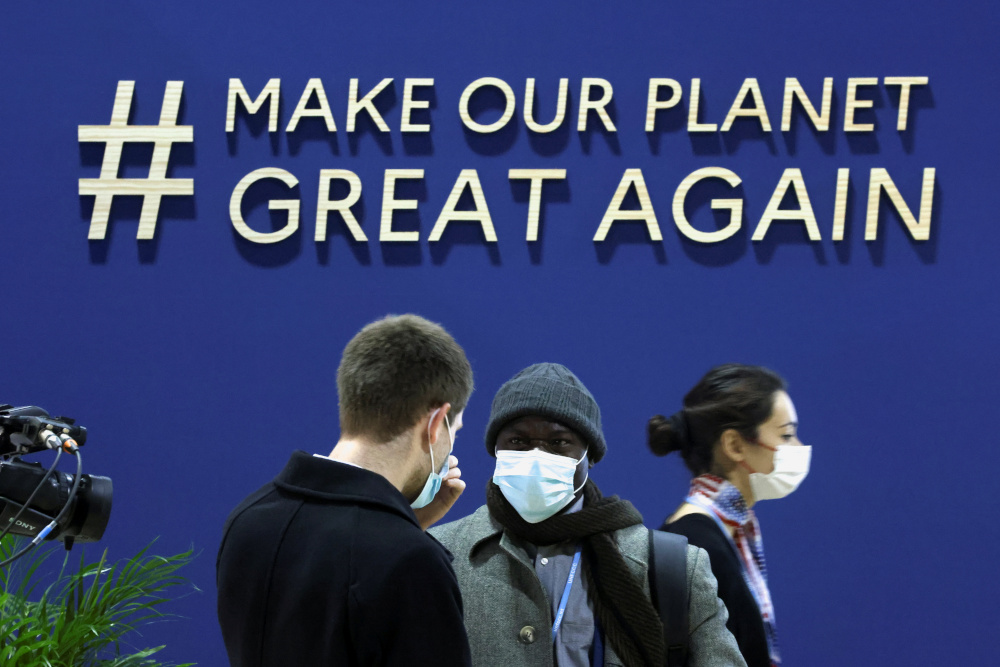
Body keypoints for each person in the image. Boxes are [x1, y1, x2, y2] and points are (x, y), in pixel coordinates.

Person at [432, 363, 746, 667]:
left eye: (558, 443)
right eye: (518, 441)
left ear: (589, 457)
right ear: (495, 450)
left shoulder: (674, 568)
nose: (537, 456)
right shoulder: (439, 554)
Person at [217, 314, 474, 666]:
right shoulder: (410, 561)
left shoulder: (247, 519)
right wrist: (404, 539)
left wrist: (402, 526)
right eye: (454, 429)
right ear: (434, 423)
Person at [648, 364, 811, 667]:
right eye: (786, 435)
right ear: (735, 445)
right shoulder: (693, 545)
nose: (799, 447)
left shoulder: (730, 531)